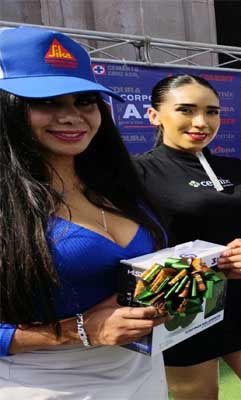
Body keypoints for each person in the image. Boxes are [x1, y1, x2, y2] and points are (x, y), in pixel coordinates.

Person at [0, 26, 169, 398]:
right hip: (47, 385)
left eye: (85, 101)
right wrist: (77, 330)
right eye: (46, 102)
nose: (72, 116)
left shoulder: (117, 185)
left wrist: (205, 267)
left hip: (143, 373)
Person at [134, 74, 241, 400]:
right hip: (180, 312)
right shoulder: (137, 173)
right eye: (186, 110)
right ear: (154, 115)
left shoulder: (236, 169)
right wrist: (211, 265)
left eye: (212, 112)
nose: (201, 122)